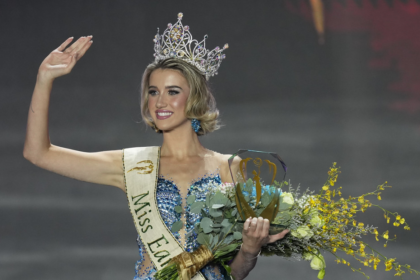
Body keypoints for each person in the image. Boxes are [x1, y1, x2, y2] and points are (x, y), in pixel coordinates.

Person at [23, 13, 289, 280]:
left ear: (194, 97)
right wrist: (44, 79)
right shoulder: (131, 165)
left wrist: (251, 249)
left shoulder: (229, 167)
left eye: (172, 92)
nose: (160, 101)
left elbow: (235, 272)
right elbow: (38, 153)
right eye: (153, 91)